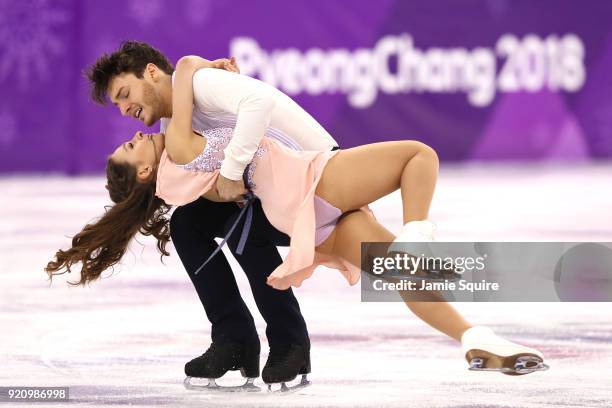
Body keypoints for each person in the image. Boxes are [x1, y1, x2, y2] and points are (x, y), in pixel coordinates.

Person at [47, 51, 548, 381]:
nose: (127, 116)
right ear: (145, 173)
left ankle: (473, 337)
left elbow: (253, 101)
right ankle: (246, 339)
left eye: (124, 97)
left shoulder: (190, 109)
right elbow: (193, 97)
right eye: (128, 137)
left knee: (404, 275)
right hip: (314, 182)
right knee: (419, 155)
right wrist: (188, 67)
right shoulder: (178, 131)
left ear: (148, 74)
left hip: (311, 203)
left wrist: (192, 72)